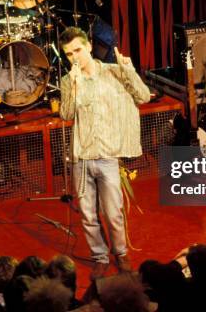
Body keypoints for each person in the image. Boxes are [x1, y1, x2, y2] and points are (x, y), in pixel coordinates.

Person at [59, 26, 151, 280]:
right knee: (88, 215)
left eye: (77, 50)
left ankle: (120, 252)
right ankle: (99, 256)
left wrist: (129, 69)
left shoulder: (113, 72)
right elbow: (66, 114)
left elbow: (143, 97)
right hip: (81, 159)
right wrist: (75, 86)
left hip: (108, 155)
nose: (74, 57)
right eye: (68, 54)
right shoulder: (68, 81)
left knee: (113, 212)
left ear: (89, 46)